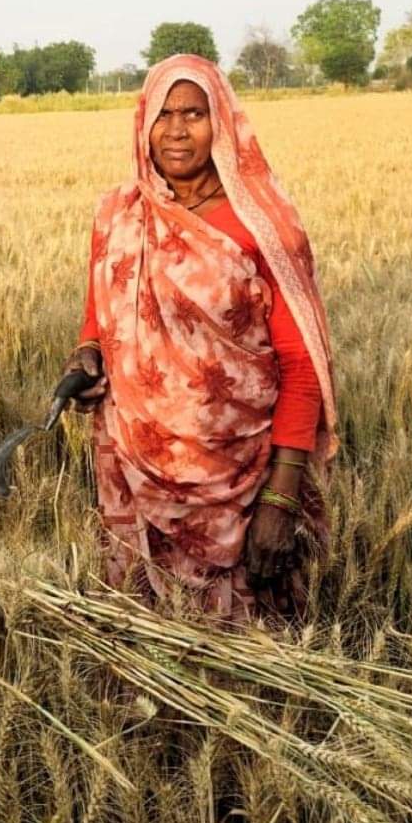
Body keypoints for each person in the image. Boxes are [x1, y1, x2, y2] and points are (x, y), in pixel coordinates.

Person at [62, 54, 337, 622]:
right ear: (143, 122)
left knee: (246, 651)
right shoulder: (119, 214)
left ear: (223, 123)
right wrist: (88, 357)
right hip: (135, 461)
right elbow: (99, 317)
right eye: (162, 114)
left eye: (194, 113)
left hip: (239, 472)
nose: (177, 130)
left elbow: (300, 364)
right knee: (145, 638)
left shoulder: (264, 223)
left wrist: (282, 498)